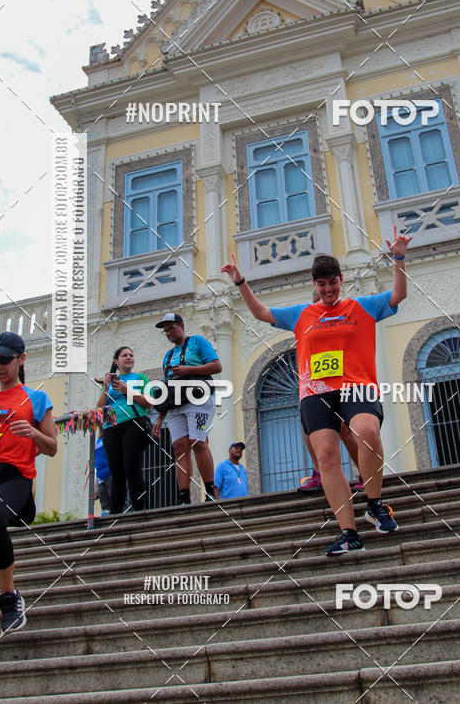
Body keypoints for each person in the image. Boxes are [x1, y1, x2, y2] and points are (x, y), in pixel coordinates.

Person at [222, 230, 410, 555]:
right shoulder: (302, 315)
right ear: (314, 284)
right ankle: (349, 532)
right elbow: (261, 313)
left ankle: (376, 504)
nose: (327, 289)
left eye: (332, 282)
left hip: (355, 386)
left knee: (367, 432)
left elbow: (397, 295)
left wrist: (399, 257)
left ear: (340, 279)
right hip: (315, 393)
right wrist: (241, 282)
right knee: (326, 457)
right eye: (321, 284)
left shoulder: (361, 307)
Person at [0, 331, 57, 661]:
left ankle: (9, 596)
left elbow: (52, 448)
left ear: (21, 359)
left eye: (4, 359)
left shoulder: (35, 399)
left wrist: (34, 433)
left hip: (15, 477)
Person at [300, 288, 365, 493]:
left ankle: (365, 474)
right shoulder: (309, 321)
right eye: (318, 304)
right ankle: (318, 473)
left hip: (344, 381)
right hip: (316, 382)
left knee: (346, 430)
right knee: (307, 428)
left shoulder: (344, 318)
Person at [152, 313, 222, 504]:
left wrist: (188, 370)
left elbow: (217, 366)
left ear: (181, 325)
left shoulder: (197, 342)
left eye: (171, 328)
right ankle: (184, 497)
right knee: (179, 447)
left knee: (197, 441)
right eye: (165, 331)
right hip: (175, 404)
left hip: (198, 398)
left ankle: (209, 492)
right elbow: (167, 388)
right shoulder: (167, 356)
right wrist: (159, 419)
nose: (169, 333)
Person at [96, 346, 152, 513]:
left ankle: (139, 510)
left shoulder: (140, 378)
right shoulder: (111, 383)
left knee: (132, 467)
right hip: (111, 426)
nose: (129, 357)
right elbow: (99, 408)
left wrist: (127, 390)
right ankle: (116, 513)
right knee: (116, 472)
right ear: (116, 361)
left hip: (133, 423)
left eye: (131, 355)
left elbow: (149, 402)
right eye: (124, 355)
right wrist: (106, 388)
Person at [94, 433, 111, 516]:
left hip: (111, 475)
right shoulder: (98, 441)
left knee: (116, 502)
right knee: (104, 506)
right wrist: (96, 483)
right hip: (100, 478)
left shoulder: (111, 436)